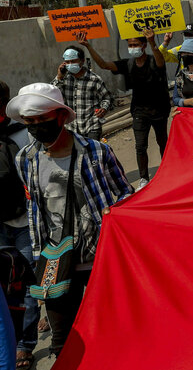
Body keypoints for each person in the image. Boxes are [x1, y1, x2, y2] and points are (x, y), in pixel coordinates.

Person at [7, 83, 133, 358]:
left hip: (99, 256)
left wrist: (115, 217)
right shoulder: (25, 159)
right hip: (55, 259)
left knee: (114, 329)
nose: (38, 127)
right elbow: (35, 210)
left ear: (61, 116)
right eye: (31, 121)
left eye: (44, 119)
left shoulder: (97, 152)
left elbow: (125, 193)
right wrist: (39, 260)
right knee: (63, 343)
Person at [79, 28, 169, 190]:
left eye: (135, 44)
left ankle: (167, 172)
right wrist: (88, 46)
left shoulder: (153, 60)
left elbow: (160, 63)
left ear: (143, 45)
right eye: (130, 44)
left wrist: (152, 42)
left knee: (163, 142)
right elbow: (104, 65)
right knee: (140, 146)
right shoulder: (127, 64)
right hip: (139, 111)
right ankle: (144, 178)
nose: (132, 47)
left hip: (159, 110)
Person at [0, 81, 39, 370]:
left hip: (26, 220)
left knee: (26, 283)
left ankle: (24, 345)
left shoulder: (22, 131)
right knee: (5, 287)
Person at [51, 46, 112, 141]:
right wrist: (59, 77)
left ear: (82, 61)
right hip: (71, 127)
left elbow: (107, 98)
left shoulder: (94, 79)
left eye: (74, 61)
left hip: (91, 125)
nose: (70, 64)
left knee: (92, 154)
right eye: (67, 62)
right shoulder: (63, 78)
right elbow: (52, 94)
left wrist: (103, 108)